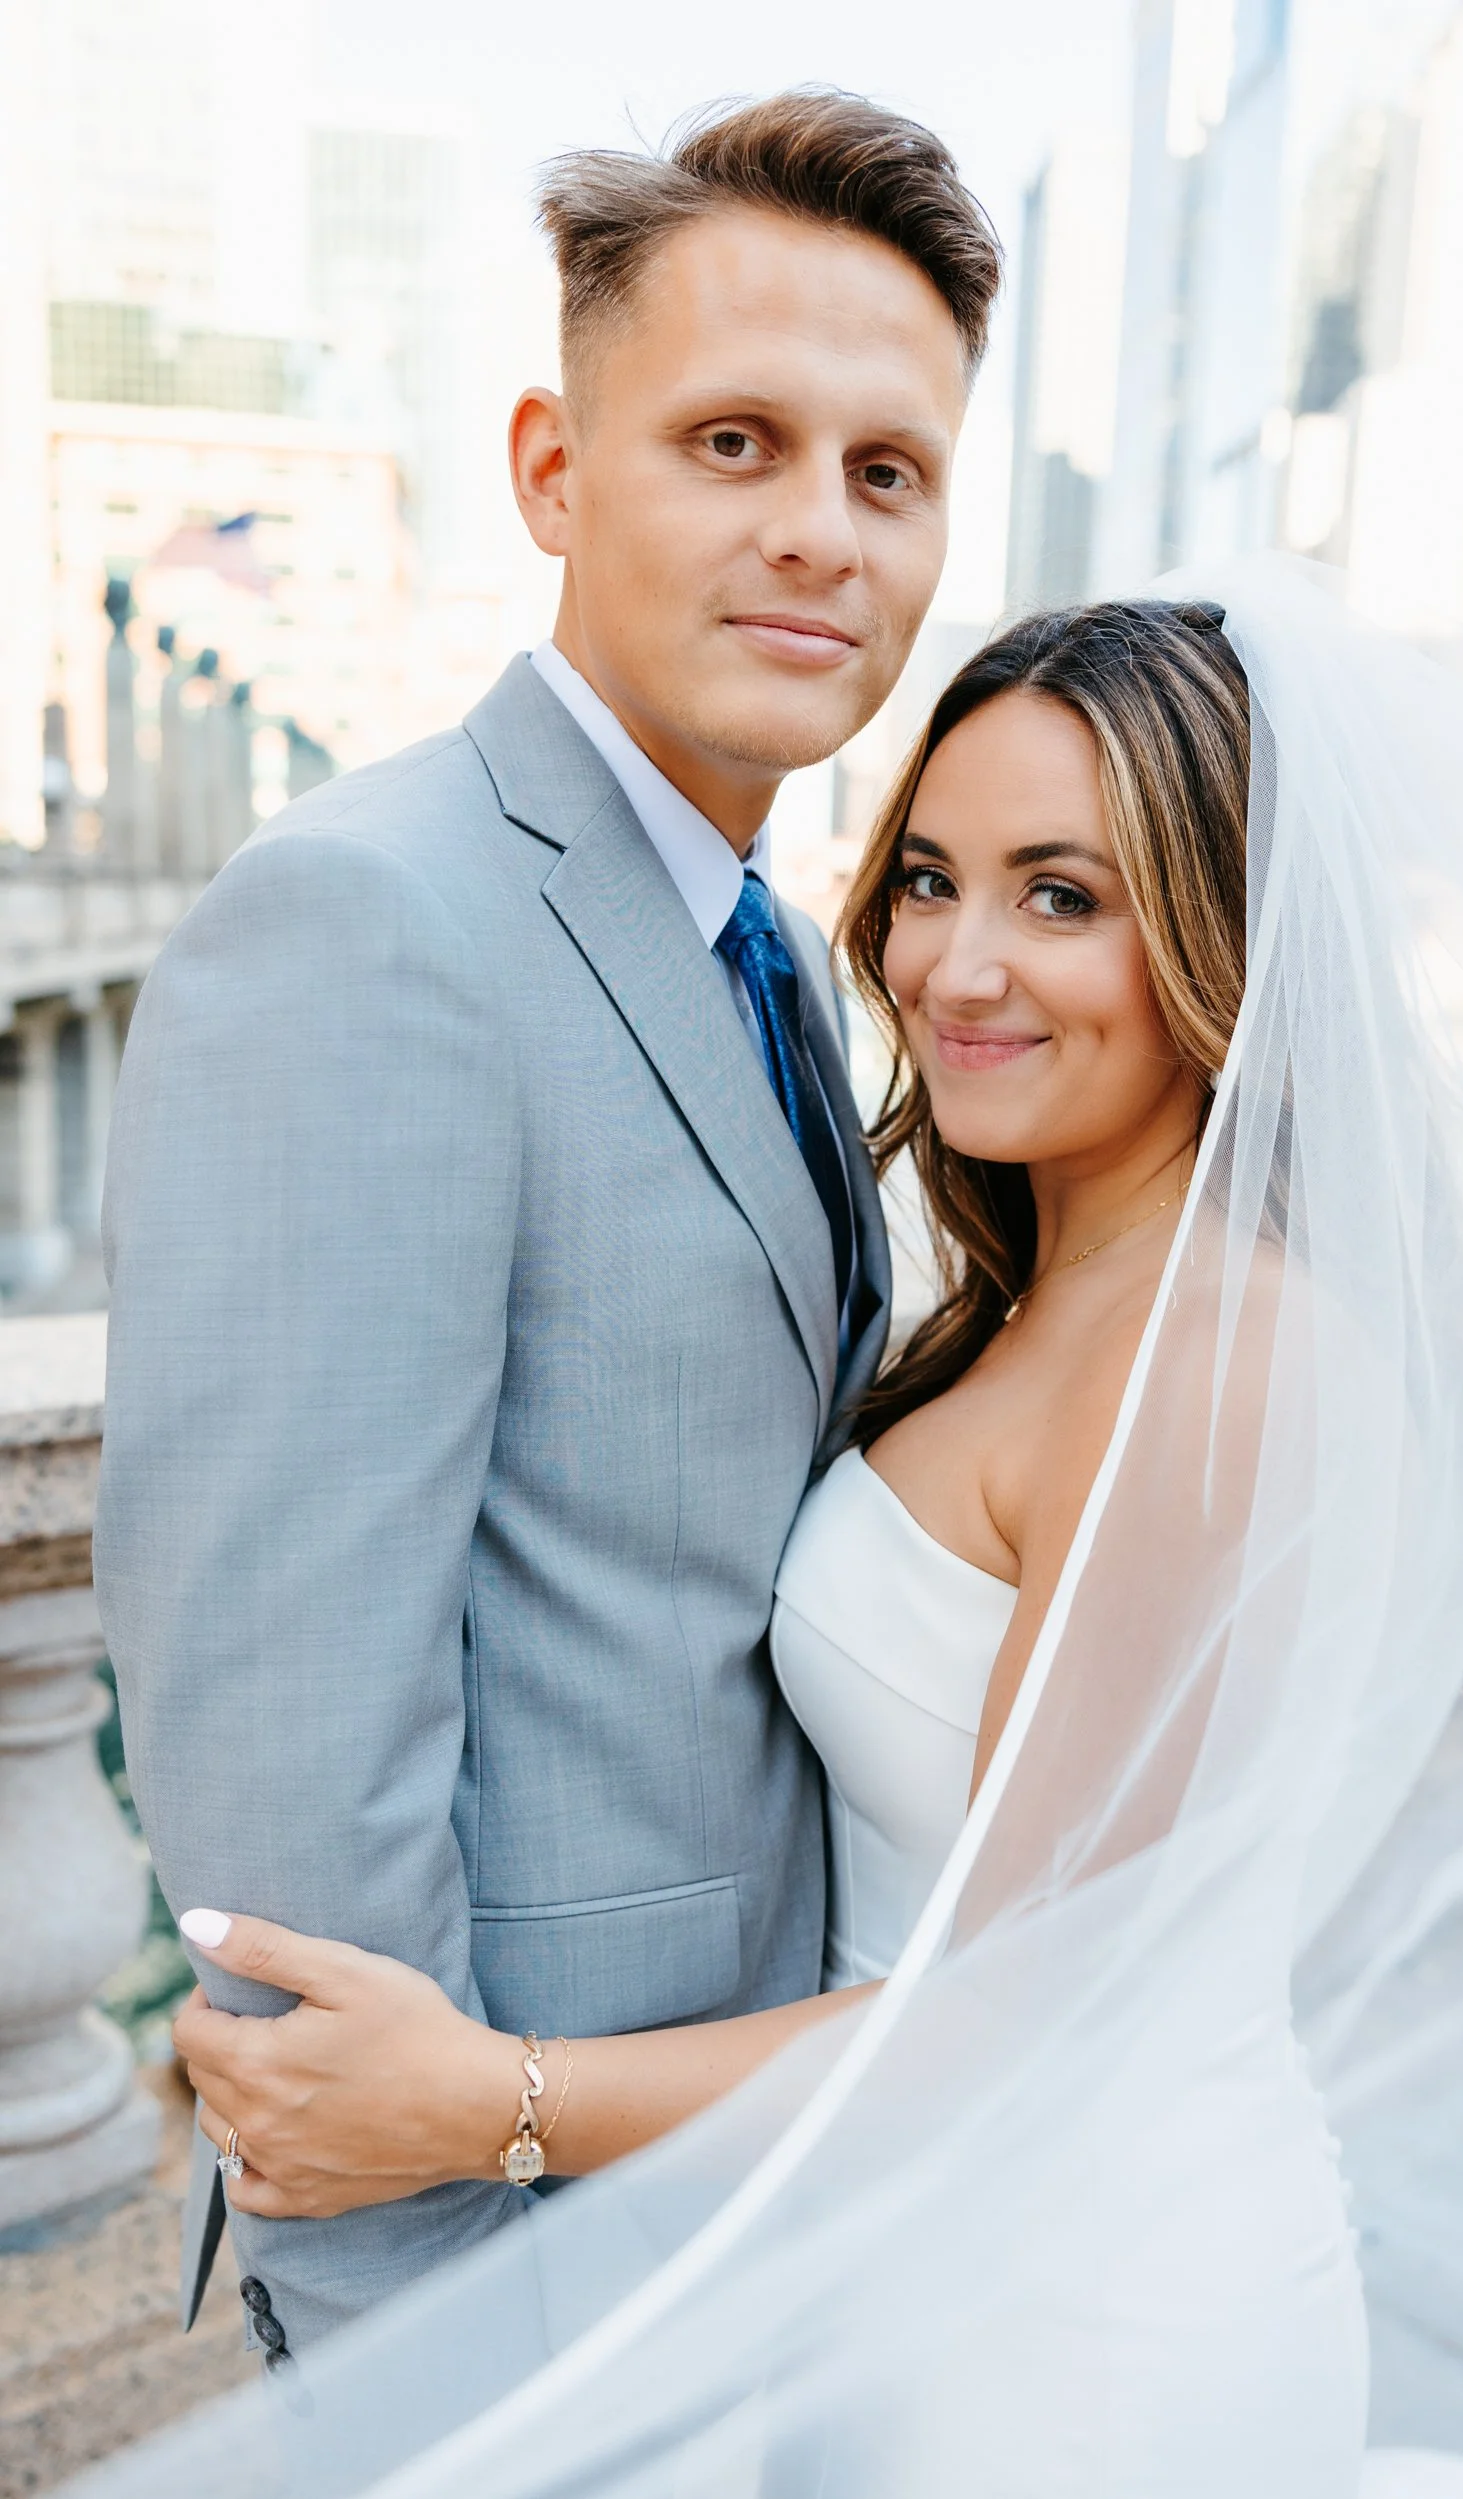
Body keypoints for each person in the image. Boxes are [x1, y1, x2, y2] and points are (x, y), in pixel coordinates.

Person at [133, 579, 1463, 2499]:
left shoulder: (1217, 1358)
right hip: (901, 2265)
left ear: (1226, 931)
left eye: (1062, 896)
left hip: (1076, 2324)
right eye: (932, 879)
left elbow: (1031, 2018)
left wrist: (492, 2105)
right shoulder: (1060, 1294)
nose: (957, 963)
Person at [95, 89, 1001, 2357]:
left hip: (723, 2193)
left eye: (886, 472)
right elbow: (285, 1754)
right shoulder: (365, 923)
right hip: (498, 2281)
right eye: (733, 441)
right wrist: (415, 2343)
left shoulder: (781, 948)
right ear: (552, 470)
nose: (818, 533)